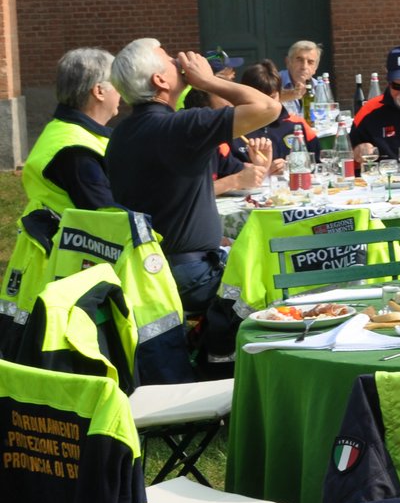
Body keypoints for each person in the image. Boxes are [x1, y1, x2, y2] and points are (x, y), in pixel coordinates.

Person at [104, 39, 280, 312]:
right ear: (160, 80)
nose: (180, 62)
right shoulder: (181, 127)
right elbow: (269, 108)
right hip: (193, 277)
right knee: (285, 281)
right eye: (171, 61)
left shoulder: (122, 133)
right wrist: (208, 81)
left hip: (148, 270)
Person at [19, 48, 121, 219]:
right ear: (99, 91)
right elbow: (108, 218)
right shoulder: (77, 152)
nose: (121, 92)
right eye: (117, 84)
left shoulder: (61, 130)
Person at [234, 60, 317, 163]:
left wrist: (290, 167)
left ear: (279, 94)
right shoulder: (234, 130)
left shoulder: (297, 125)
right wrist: (265, 171)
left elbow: (320, 162)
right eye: (262, 99)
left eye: (272, 97)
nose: (269, 105)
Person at [281, 40, 322, 115]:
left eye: (310, 62)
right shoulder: (273, 82)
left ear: (315, 68)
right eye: (299, 60)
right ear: (288, 62)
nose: (304, 67)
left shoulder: (319, 88)